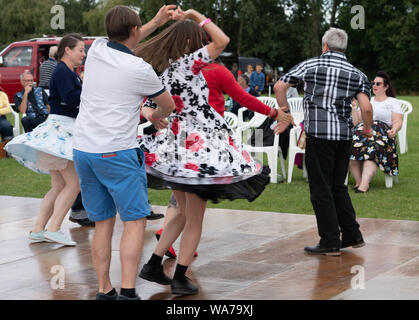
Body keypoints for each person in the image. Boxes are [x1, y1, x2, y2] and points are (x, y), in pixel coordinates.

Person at [135, 7, 293, 296]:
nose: (203, 42)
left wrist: (153, 113)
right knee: (194, 218)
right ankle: (180, 277)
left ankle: (155, 264)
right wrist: (196, 15)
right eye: (198, 37)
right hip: (200, 149)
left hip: (179, 146)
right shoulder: (190, 63)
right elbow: (222, 41)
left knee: (183, 213)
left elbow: (154, 105)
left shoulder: (168, 70)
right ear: (188, 43)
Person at [73, 5, 176, 301]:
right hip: (117, 151)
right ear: (134, 30)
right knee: (134, 221)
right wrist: (153, 113)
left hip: (84, 150)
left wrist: (156, 21)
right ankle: (129, 292)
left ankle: (105, 290)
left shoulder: (96, 50)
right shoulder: (140, 69)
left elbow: (129, 38)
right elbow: (167, 105)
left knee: (102, 223)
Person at [154, 60, 284, 259]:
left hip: (180, 138)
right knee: (194, 208)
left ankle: (165, 236)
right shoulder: (217, 71)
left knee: (180, 192)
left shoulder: (176, 70)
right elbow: (244, 98)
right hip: (207, 140)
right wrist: (274, 112)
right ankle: (177, 251)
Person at [274, 27, 373, 256]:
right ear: (344, 47)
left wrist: (285, 112)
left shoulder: (311, 65)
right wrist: (367, 128)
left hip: (318, 135)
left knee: (320, 189)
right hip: (344, 136)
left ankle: (329, 241)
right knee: (338, 186)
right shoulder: (357, 74)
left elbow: (280, 86)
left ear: (325, 46)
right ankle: (352, 235)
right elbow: (366, 107)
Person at [5, 34, 87, 246]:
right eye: (80, 50)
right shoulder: (63, 71)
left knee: (59, 185)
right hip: (61, 129)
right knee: (74, 183)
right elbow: (71, 100)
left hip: (60, 129)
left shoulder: (66, 71)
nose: (83, 54)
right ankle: (54, 228)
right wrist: (89, 91)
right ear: (67, 50)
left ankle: (38, 229)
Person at [349, 71, 403, 193]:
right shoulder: (368, 100)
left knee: (372, 150)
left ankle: (364, 184)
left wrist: (394, 129)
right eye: (373, 83)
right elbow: (356, 122)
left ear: (386, 86)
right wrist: (353, 107)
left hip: (382, 133)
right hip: (363, 131)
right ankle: (358, 182)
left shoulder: (392, 102)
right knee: (351, 146)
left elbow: (398, 121)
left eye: (378, 83)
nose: (374, 86)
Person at [0, 73, 14, 156]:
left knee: (6, 126)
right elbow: (4, 108)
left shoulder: (2, 95)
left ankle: (9, 150)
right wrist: (2, 109)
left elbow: (8, 109)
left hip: (1, 118)